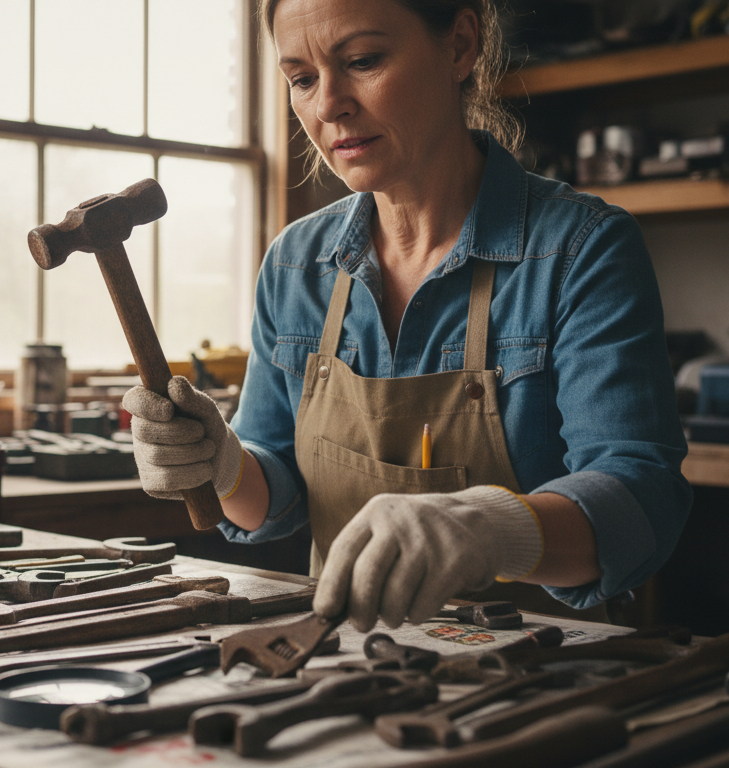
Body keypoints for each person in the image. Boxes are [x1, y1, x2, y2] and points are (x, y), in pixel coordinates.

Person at [123, 0, 691, 632]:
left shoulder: (580, 249)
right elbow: (276, 498)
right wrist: (223, 463)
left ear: (459, 45)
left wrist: (489, 528)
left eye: (362, 61)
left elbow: (642, 497)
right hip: (341, 662)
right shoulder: (295, 264)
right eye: (302, 79)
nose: (328, 105)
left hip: (537, 680)